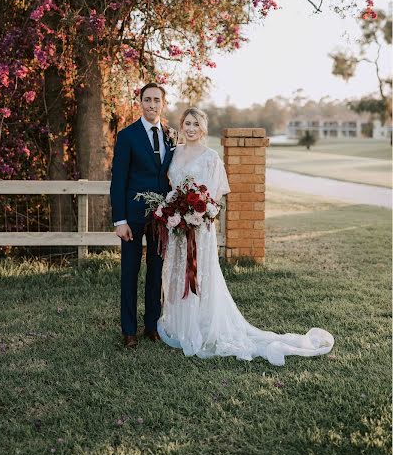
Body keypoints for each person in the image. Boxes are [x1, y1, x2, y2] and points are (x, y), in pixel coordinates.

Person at [157, 107, 334, 366]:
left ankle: (201, 326)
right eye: (187, 123)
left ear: (202, 127)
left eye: (195, 123)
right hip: (177, 229)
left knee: (200, 275)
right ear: (181, 125)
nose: (191, 128)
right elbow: (170, 189)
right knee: (176, 271)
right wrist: (174, 211)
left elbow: (214, 197)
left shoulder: (211, 157)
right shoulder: (173, 154)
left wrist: (197, 213)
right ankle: (178, 323)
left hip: (199, 228)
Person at [110, 83, 176, 348]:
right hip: (133, 218)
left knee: (156, 272)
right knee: (130, 272)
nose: (152, 105)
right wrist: (120, 220)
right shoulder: (127, 136)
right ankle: (128, 330)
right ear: (140, 103)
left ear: (163, 103)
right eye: (147, 100)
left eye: (156, 100)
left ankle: (152, 325)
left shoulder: (171, 136)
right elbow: (119, 181)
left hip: (162, 218)